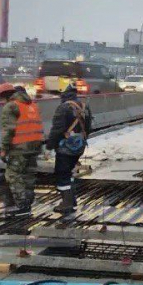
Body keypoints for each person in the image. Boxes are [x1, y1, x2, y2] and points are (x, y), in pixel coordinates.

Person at [0, 83, 44, 215]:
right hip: (34, 146)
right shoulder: (33, 105)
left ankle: (22, 205)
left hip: (19, 147)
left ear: (5, 96)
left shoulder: (11, 106)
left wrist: (4, 150)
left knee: (13, 175)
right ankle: (28, 203)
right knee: (29, 175)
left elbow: (8, 130)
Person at [46, 84, 92, 217]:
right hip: (79, 146)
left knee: (62, 173)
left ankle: (67, 203)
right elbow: (88, 127)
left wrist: (50, 146)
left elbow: (57, 129)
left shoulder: (64, 107)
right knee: (68, 173)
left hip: (66, 148)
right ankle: (71, 200)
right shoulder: (84, 106)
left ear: (64, 95)